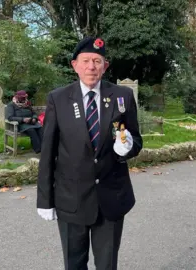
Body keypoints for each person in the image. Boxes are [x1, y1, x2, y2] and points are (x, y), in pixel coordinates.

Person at [36, 37, 143, 270]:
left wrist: (127, 148)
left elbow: (136, 138)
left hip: (111, 198)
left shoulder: (122, 95)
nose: (91, 67)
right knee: (74, 264)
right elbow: (48, 153)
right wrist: (45, 199)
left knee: (107, 265)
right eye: (85, 61)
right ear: (74, 65)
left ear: (105, 66)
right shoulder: (59, 98)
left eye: (97, 61)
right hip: (70, 199)